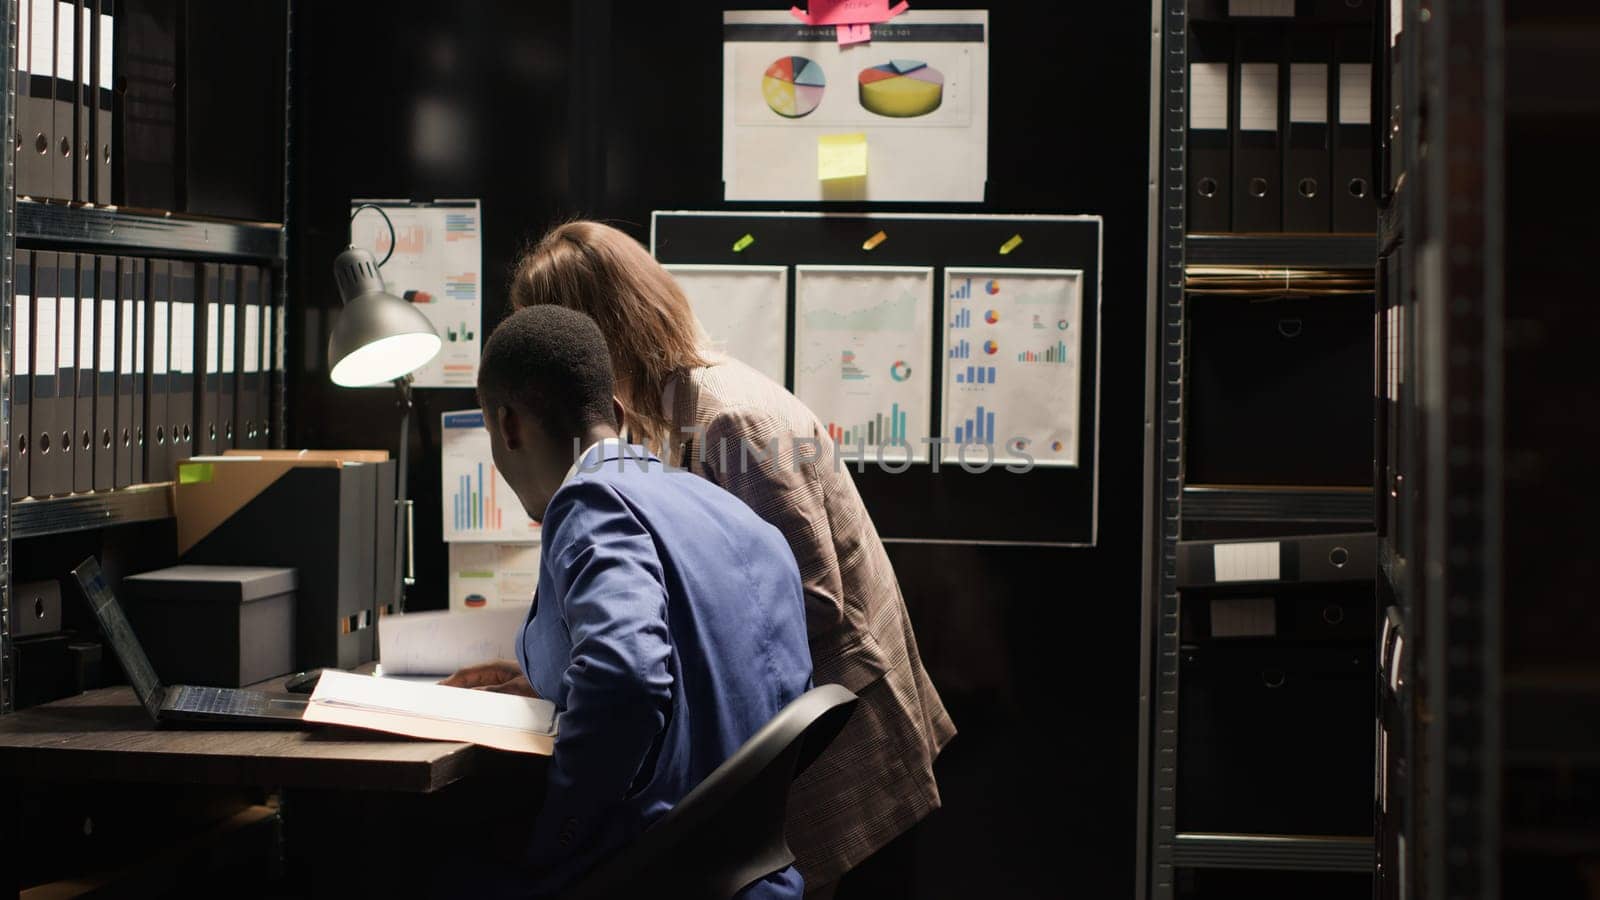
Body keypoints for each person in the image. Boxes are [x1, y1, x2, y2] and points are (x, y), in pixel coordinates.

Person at [508, 220, 956, 895]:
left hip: (845, 757)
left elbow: (809, 601)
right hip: (793, 751)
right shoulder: (671, 410)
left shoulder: (729, 420)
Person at [446, 305, 814, 898]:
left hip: (646, 872)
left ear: (508, 426)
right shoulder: (726, 509)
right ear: (616, 414)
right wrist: (553, 680)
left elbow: (628, 676)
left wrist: (557, 835)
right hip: (754, 876)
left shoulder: (590, 501)